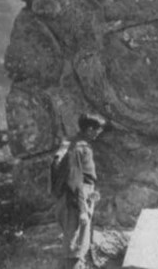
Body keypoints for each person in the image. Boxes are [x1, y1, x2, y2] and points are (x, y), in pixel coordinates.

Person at [56, 114, 105, 269]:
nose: (99, 133)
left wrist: (92, 192)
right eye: (98, 130)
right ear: (90, 129)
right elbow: (75, 180)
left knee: (79, 244)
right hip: (76, 199)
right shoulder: (78, 147)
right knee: (75, 247)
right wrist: (83, 210)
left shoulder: (76, 144)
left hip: (82, 195)